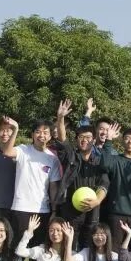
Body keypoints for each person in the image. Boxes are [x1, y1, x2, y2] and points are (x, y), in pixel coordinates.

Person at [0, 116, 63, 261]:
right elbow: (7, 151)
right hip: (21, 208)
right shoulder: (23, 150)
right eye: (38, 131)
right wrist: (15, 129)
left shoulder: (53, 159)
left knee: (37, 250)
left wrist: (54, 210)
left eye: (45, 132)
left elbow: (53, 187)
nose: (41, 135)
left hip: (43, 211)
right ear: (33, 134)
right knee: (18, 248)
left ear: (50, 136)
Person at [52, 99, 110, 249]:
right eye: (81, 137)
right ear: (77, 140)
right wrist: (60, 118)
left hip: (92, 212)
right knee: (68, 248)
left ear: (94, 140)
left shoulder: (99, 161)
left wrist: (97, 201)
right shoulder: (71, 156)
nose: (84, 140)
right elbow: (62, 139)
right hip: (69, 212)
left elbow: (104, 184)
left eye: (88, 137)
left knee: (88, 250)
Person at [96, 127, 131, 250]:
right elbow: (104, 164)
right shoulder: (115, 160)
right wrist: (109, 140)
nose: (130, 141)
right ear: (122, 141)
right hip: (116, 214)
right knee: (114, 251)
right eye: (127, 138)